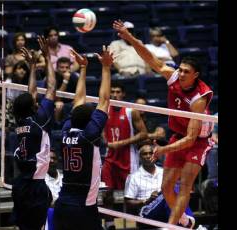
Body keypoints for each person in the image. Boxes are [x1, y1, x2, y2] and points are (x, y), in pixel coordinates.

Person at [113, 19, 214, 226]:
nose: (182, 73)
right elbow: (150, 59)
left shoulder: (199, 99)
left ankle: (171, 226)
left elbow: (190, 139)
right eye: (181, 70)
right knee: (166, 188)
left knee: (184, 186)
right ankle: (186, 222)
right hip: (178, 136)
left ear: (196, 75)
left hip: (197, 142)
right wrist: (130, 37)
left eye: (187, 72)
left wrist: (163, 150)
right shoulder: (174, 76)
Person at [54, 46, 113, 230]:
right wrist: (106, 67)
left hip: (62, 204)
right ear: (90, 122)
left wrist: (83, 68)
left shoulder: (66, 132)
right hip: (83, 207)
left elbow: (77, 102)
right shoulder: (90, 135)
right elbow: (104, 100)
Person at [10, 35, 57, 230]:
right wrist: (47, 58)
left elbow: (31, 94)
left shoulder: (19, 119)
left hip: (21, 183)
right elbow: (52, 87)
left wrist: (32, 67)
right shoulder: (40, 121)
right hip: (35, 184)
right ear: (33, 107)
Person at [101, 81, 148, 230]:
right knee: (107, 193)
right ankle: (110, 225)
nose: (114, 95)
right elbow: (101, 129)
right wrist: (105, 139)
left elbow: (144, 133)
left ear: (123, 94)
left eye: (117, 92)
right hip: (109, 158)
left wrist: (121, 143)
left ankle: (132, 225)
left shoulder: (131, 110)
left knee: (129, 196)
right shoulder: (103, 109)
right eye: (112, 92)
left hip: (128, 158)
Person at [125, 145, 195, 229]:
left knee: (175, 189)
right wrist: (145, 201)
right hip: (147, 211)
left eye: (150, 153)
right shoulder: (133, 177)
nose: (148, 156)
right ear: (140, 157)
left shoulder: (164, 171)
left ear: (155, 155)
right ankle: (188, 222)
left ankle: (180, 224)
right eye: (145, 154)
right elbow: (128, 201)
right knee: (167, 192)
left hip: (165, 207)